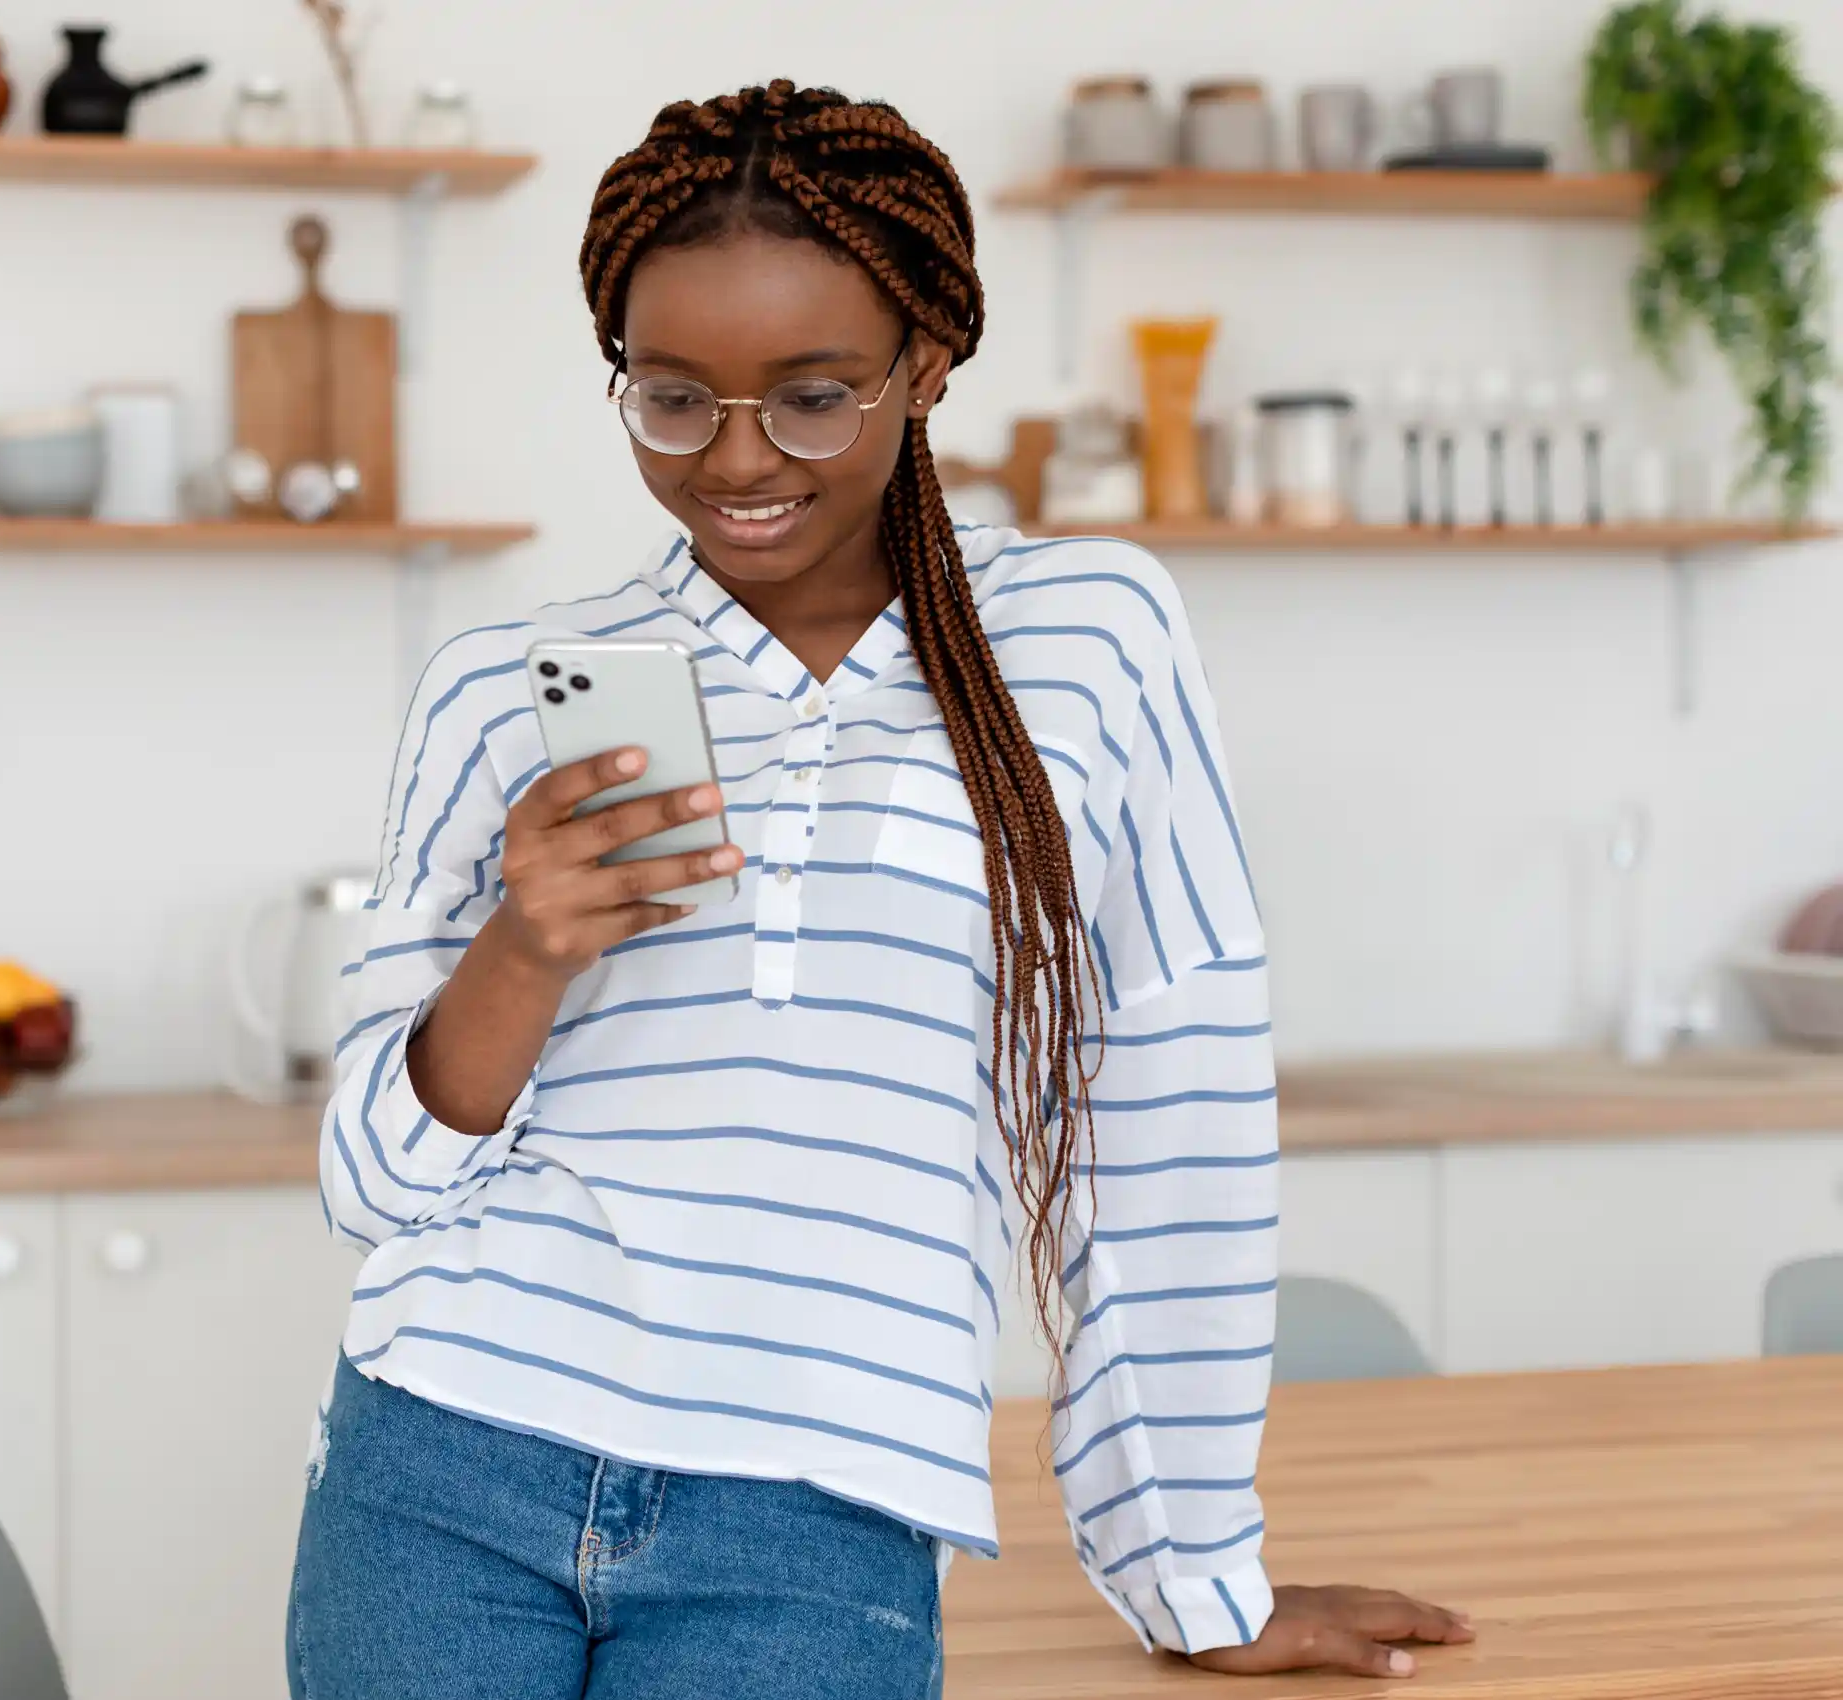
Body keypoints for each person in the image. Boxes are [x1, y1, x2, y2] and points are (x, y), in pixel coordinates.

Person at [285, 80, 1472, 1700]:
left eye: (815, 397)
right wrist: (528, 943)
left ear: (927, 366)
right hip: (439, 1476)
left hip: (815, 1516)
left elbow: (1166, 1114)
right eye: (677, 400)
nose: (741, 461)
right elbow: (370, 1185)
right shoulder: (509, 689)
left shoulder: (1088, 643)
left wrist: (1193, 1572)